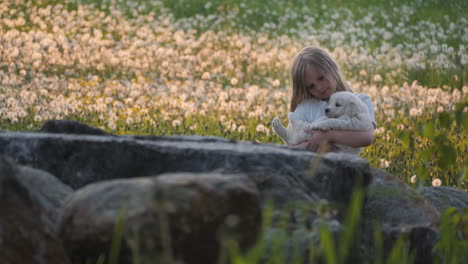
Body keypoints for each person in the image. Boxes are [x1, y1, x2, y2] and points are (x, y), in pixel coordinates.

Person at [288, 46, 376, 152]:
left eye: (321, 78)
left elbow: (366, 137)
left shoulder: (360, 101)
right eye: (311, 86)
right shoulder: (305, 107)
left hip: (343, 166)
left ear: (332, 68)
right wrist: (312, 145)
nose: (319, 87)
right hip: (310, 166)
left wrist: (328, 136)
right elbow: (290, 146)